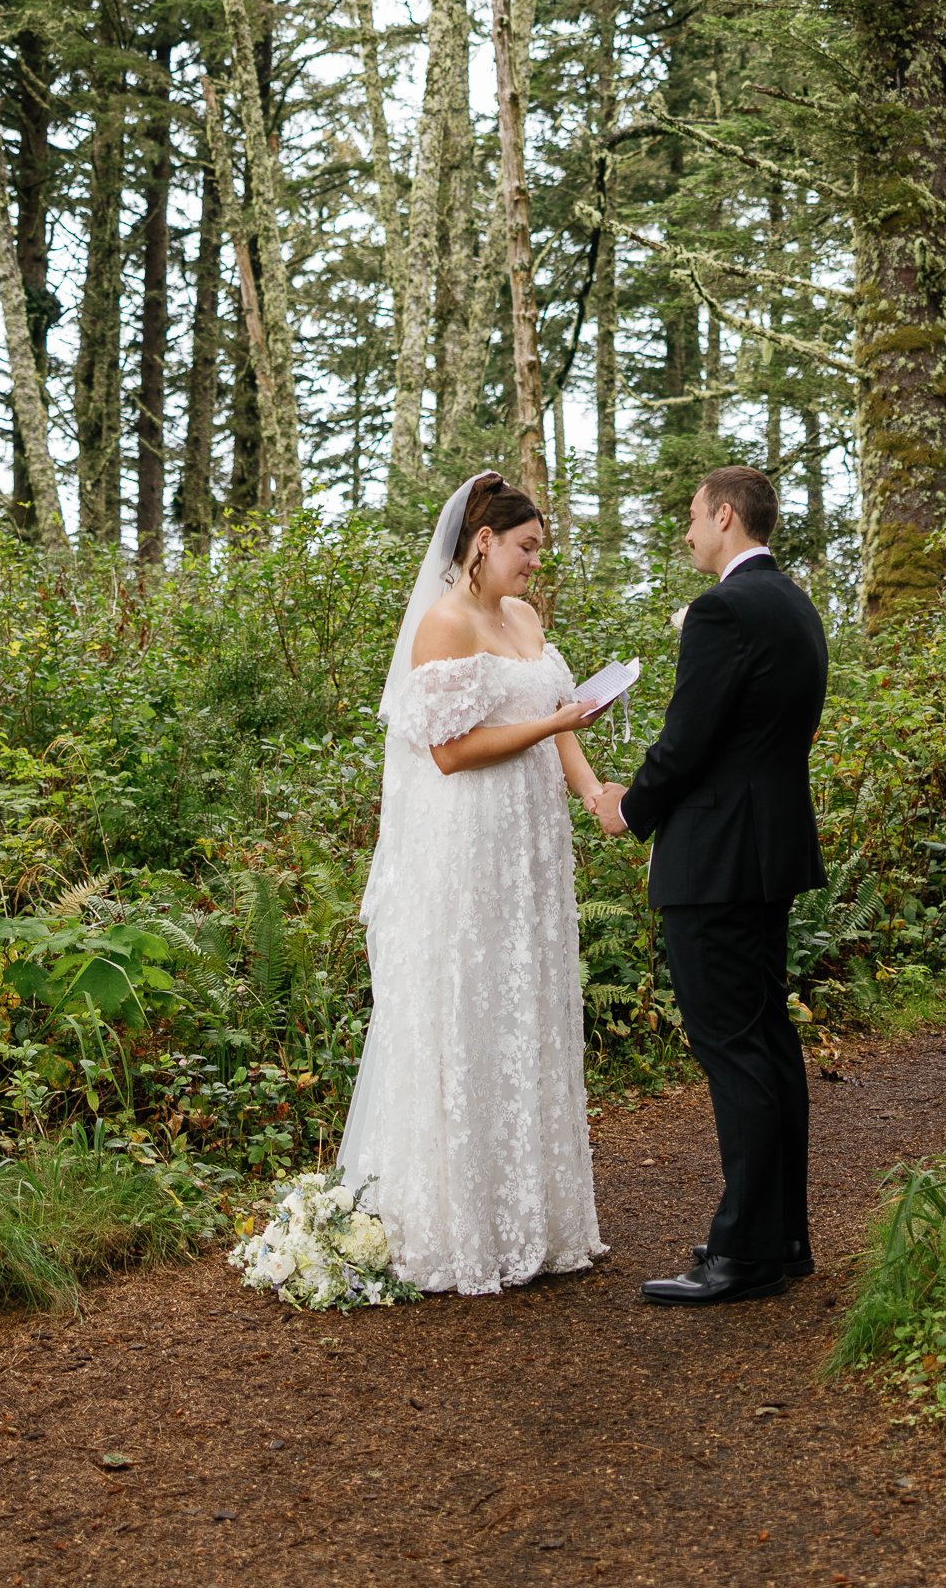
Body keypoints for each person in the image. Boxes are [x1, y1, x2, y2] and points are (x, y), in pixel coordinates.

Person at [338, 469, 620, 1293]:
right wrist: (555, 722)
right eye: (527, 548)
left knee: (527, 1005)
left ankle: (532, 1215)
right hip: (471, 847)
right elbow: (452, 754)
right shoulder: (444, 626)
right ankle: (455, 1224)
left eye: (540, 550)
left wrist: (595, 790)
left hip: (532, 848)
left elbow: (562, 718)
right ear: (484, 542)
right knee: (469, 1006)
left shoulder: (526, 619)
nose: (536, 564)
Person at [597, 465, 828, 1305]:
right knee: (768, 1042)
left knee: (733, 1050)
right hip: (769, 853)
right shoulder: (794, 603)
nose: (687, 531)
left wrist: (631, 806)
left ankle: (742, 1255)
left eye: (693, 517)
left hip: (717, 860)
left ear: (725, 517)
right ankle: (782, 1237)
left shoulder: (722, 611)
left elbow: (686, 739)